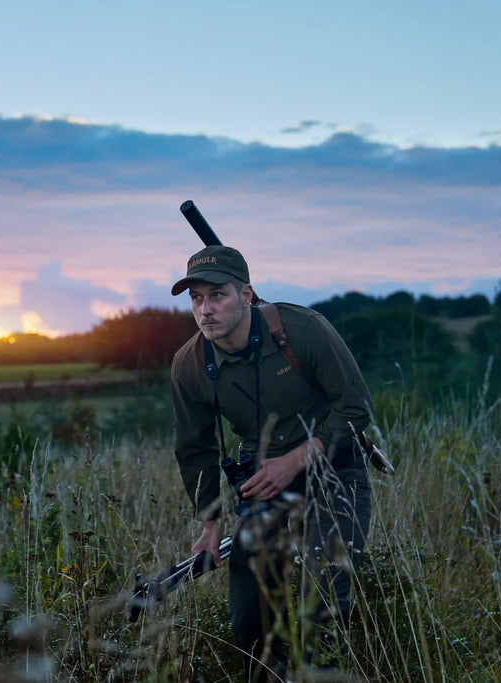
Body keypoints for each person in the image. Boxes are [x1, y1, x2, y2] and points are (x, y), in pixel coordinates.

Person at [169, 244, 373, 681]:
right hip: (263, 480)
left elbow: (356, 408)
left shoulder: (303, 329)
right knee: (249, 613)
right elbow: (194, 448)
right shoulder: (189, 365)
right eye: (196, 299)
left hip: (334, 467)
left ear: (246, 295)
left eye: (218, 295)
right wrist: (210, 524)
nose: (205, 310)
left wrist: (295, 460)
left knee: (323, 599)